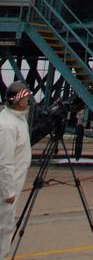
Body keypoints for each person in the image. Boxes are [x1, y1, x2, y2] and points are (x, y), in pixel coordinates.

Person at [0, 84, 31, 259]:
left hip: (16, 181)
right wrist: (8, 191)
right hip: (7, 187)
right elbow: (4, 162)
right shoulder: (7, 126)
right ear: (18, 101)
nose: (27, 100)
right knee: (3, 227)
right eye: (25, 98)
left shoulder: (18, 119)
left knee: (7, 225)